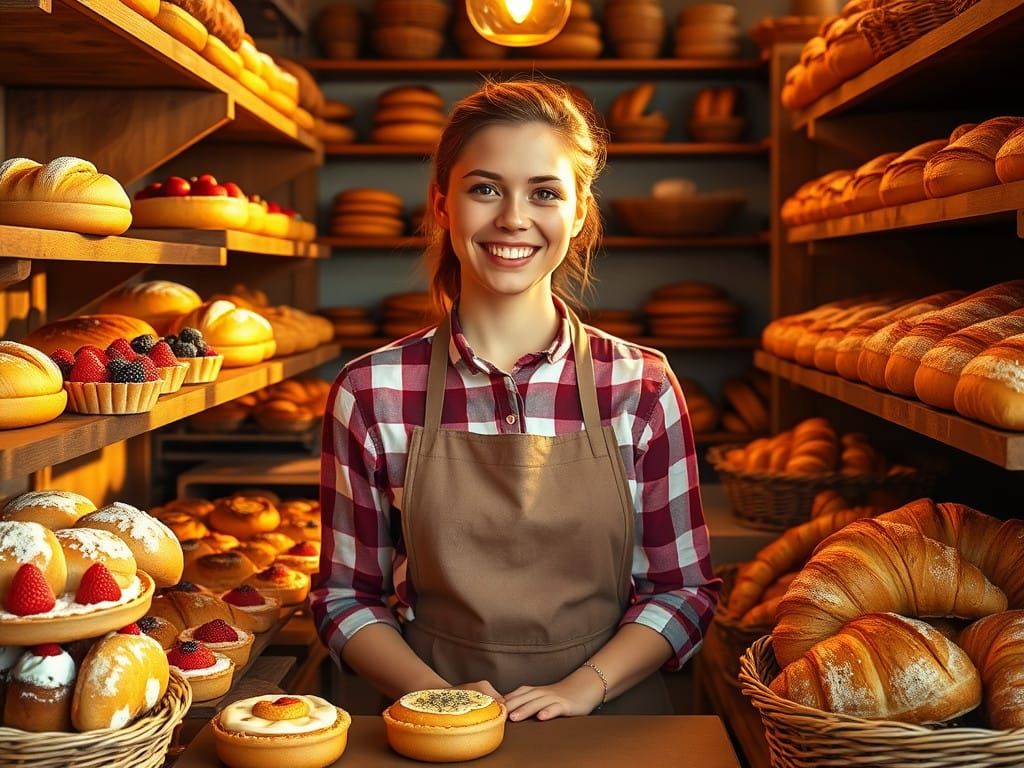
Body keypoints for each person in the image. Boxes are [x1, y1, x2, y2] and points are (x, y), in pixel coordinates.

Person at [311, 78, 720, 720]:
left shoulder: (640, 386)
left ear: (579, 212)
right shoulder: (370, 392)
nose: (513, 218)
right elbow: (345, 598)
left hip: (614, 726)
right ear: (443, 204)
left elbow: (682, 590)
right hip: (427, 728)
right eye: (485, 188)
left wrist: (582, 688)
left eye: (545, 193)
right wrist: (434, 698)